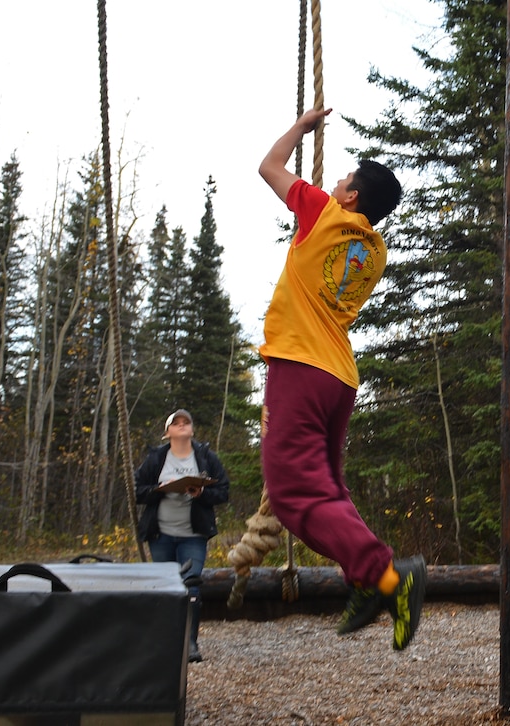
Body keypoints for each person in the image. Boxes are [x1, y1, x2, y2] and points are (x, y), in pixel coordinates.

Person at [257, 108, 426, 652]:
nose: (333, 184)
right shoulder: (372, 250)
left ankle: (387, 577)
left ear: (351, 198)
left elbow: (268, 166)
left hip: (302, 367)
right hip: (338, 377)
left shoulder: (323, 213)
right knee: (328, 489)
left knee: (293, 494)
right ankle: (364, 579)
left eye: (342, 180)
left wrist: (301, 128)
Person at [135, 408, 230, 663]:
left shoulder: (206, 457)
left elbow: (223, 491)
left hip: (193, 535)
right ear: (168, 432)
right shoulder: (156, 458)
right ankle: (168, 640)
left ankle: (190, 642)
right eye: (175, 423)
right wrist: (159, 489)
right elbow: (137, 491)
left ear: (192, 429)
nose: (181, 425)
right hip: (161, 534)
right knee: (167, 588)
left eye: (186, 421)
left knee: (191, 583)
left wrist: (201, 494)